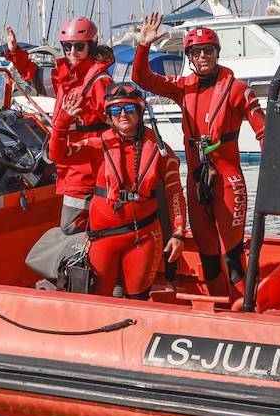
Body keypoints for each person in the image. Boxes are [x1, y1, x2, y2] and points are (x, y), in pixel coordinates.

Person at [132, 12, 265, 297]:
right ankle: (219, 306)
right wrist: (143, 46)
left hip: (228, 182)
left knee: (231, 255)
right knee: (208, 255)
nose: (203, 55)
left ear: (217, 53)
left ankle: (246, 307)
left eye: (208, 50)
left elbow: (264, 133)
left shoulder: (238, 90)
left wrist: (276, 174)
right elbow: (141, 78)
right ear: (189, 57)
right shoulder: (183, 88)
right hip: (197, 181)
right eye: (196, 51)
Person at [49, 82, 186, 299]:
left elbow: (175, 193)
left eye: (129, 109)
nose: (122, 114)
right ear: (109, 115)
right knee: (98, 299)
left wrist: (179, 232)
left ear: (140, 112)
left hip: (144, 236)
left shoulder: (160, 150)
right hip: (103, 238)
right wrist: (62, 123)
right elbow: (57, 155)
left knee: (137, 300)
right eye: (115, 110)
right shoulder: (97, 145)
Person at [4, 17, 113, 233]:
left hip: (86, 168)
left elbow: (117, 124)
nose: (72, 51)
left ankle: (92, 260)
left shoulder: (99, 81)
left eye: (79, 46)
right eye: (67, 46)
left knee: (71, 226)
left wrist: (94, 145)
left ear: (90, 46)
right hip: (69, 163)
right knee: (75, 224)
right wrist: (15, 52)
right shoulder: (65, 76)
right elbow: (34, 76)